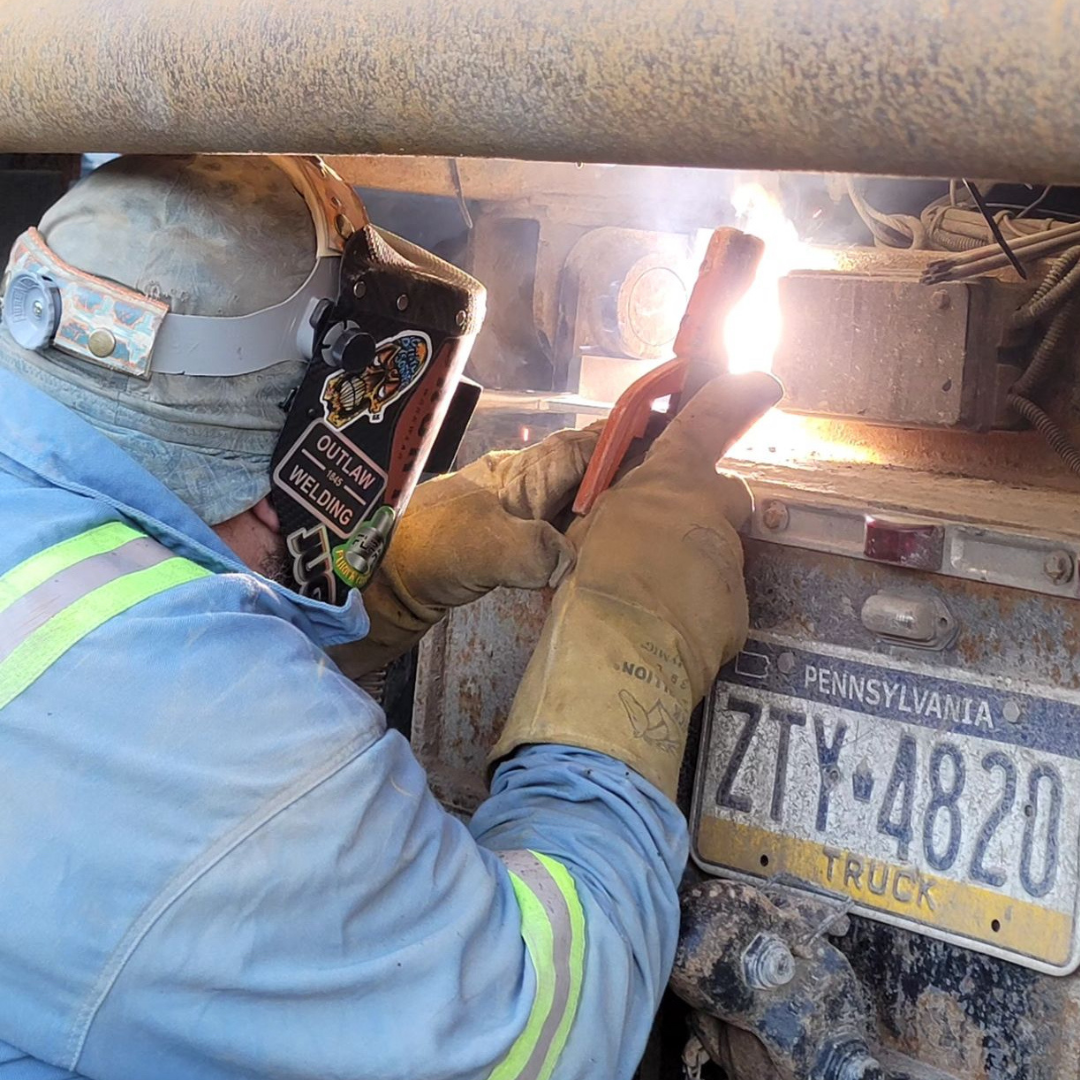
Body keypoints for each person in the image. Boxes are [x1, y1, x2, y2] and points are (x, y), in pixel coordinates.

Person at [0, 155, 780, 1079]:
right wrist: (629, 643)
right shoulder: (215, 757)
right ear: (284, 471)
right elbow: (538, 1035)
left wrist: (374, 591)